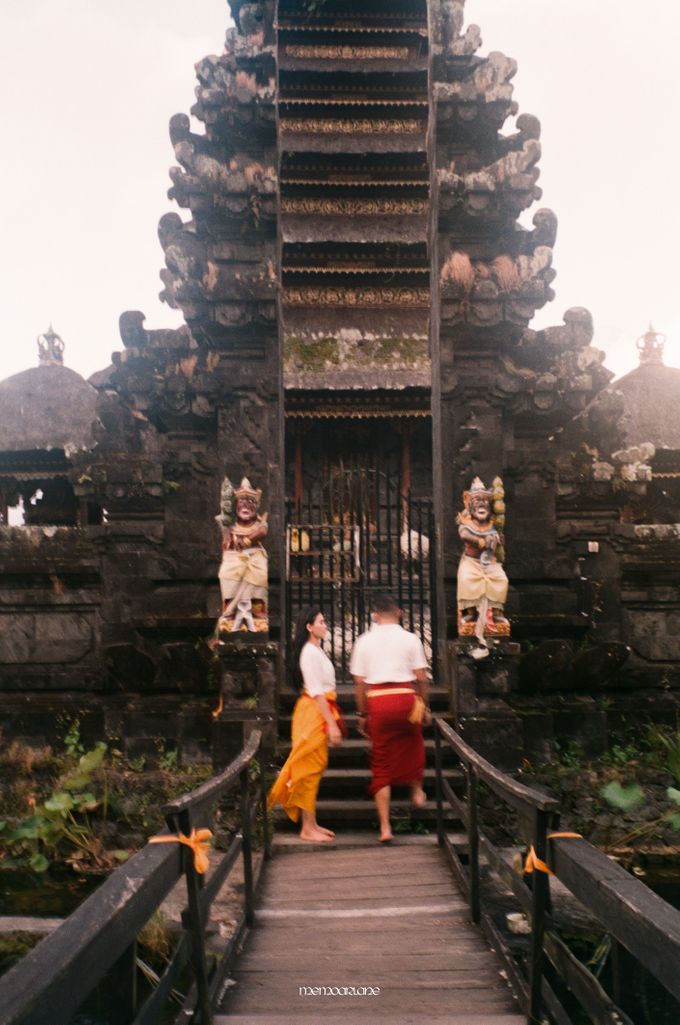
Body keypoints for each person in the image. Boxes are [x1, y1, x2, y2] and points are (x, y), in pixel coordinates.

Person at [350, 593, 431, 843]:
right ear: (400, 613)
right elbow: (421, 678)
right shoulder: (410, 639)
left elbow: (359, 684)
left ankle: (385, 827)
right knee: (414, 740)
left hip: (379, 701)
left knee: (381, 760)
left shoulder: (363, 641)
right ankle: (416, 790)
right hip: (406, 697)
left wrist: (363, 714)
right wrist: (423, 706)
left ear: (375, 616)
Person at [268, 607, 345, 842]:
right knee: (308, 768)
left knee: (314, 766)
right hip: (314, 711)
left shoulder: (316, 651)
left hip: (319, 709)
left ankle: (311, 823)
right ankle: (306, 828)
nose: (325, 625)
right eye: (321, 622)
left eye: (324, 621)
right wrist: (331, 724)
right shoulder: (309, 653)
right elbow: (316, 692)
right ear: (309, 627)